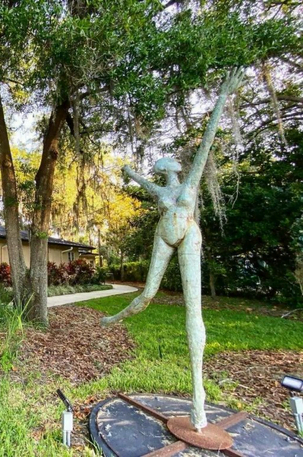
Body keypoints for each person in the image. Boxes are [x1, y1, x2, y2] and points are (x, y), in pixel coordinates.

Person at [101, 68, 244, 431]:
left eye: (164, 165)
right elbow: (144, 182)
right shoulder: (162, 193)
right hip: (163, 237)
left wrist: (224, 96)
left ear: (176, 168)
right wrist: (130, 171)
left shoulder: (191, 183)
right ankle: (114, 319)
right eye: (160, 167)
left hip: (187, 237)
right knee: (147, 293)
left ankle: (198, 401)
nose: (162, 168)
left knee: (193, 311)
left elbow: (208, 140)